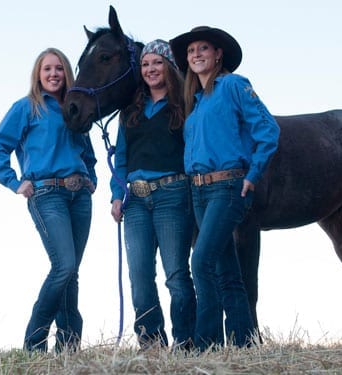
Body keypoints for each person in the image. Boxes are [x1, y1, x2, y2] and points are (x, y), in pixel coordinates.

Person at [169, 27, 280, 351]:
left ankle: (207, 344)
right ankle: (245, 343)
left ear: (218, 54)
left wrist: (254, 173)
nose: (196, 55)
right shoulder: (197, 101)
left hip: (228, 186)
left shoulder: (234, 85)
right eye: (191, 51)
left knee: (200, 262)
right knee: (225, 270)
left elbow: (268, 129)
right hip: (199, 191)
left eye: (204, 48)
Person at [0, 47, 97, 353]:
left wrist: (91, 180)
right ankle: (34, 343)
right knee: (64, 264)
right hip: (46, 194)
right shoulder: (26, 108)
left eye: (59, 68)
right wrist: (14, 182)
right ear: (38, 74)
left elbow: (88, 154)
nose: (53, 74)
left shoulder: (73, 108)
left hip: (79, 197)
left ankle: (68, 347)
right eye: (47, 69)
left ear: (67, 74)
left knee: (71, 272)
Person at [110, 39, 196, 351]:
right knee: (140, 275)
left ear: (169, 67)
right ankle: (151, 343)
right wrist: (116, 195)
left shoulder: (184, 106)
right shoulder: (130, 112)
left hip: (173, 194)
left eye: (157, 63)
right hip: (135, 200)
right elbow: (121, 157)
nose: (150, 69)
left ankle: (186, 342)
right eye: (145, 64)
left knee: (175, 273)